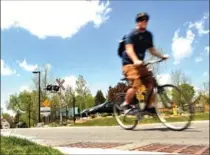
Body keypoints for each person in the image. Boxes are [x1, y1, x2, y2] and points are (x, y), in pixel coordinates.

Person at [120, 12, 169, 114]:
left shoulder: (148, 35)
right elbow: (129, 49)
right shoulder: (131, 34)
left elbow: (152, 50)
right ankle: (126, 104)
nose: (144, 21)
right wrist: (135, 60)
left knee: (151, 83)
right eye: (141, 20)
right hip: (129, 63)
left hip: (140, 64)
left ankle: (148, 106)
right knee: (137, 83)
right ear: (137, 22)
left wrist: (162, 56)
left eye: (146, 20)